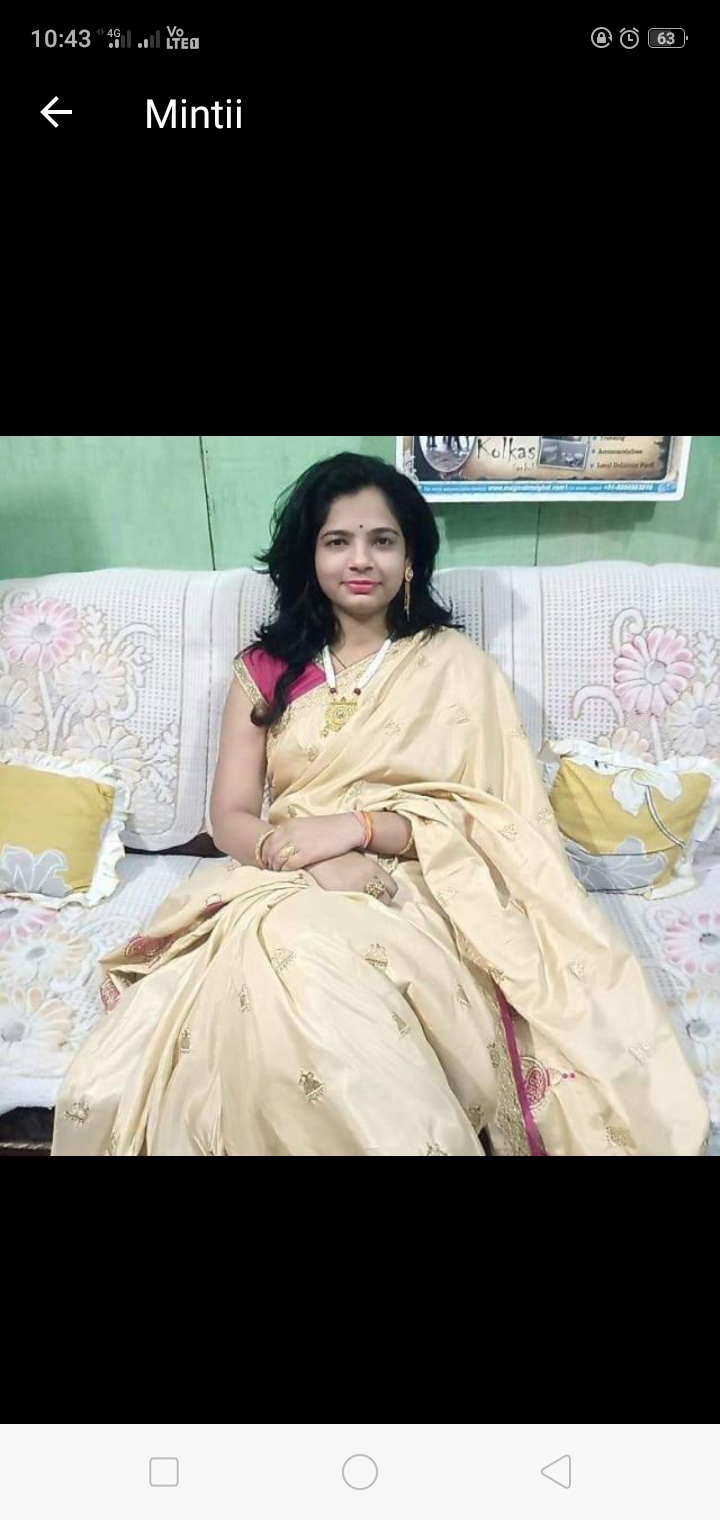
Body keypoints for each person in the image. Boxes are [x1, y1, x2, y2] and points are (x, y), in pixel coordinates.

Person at [52, 453, 709, 1156]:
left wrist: (361, 828)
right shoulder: (264, 671)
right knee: (282, 952)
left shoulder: (457, 667)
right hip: (286, 871)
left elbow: (499, 822)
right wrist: (308, 860)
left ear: (411, 557)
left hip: (425, 881)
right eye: (338, 541)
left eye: (382, 540)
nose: (361, 559)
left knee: (311, 967)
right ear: (310, 557)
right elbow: (232, 816)